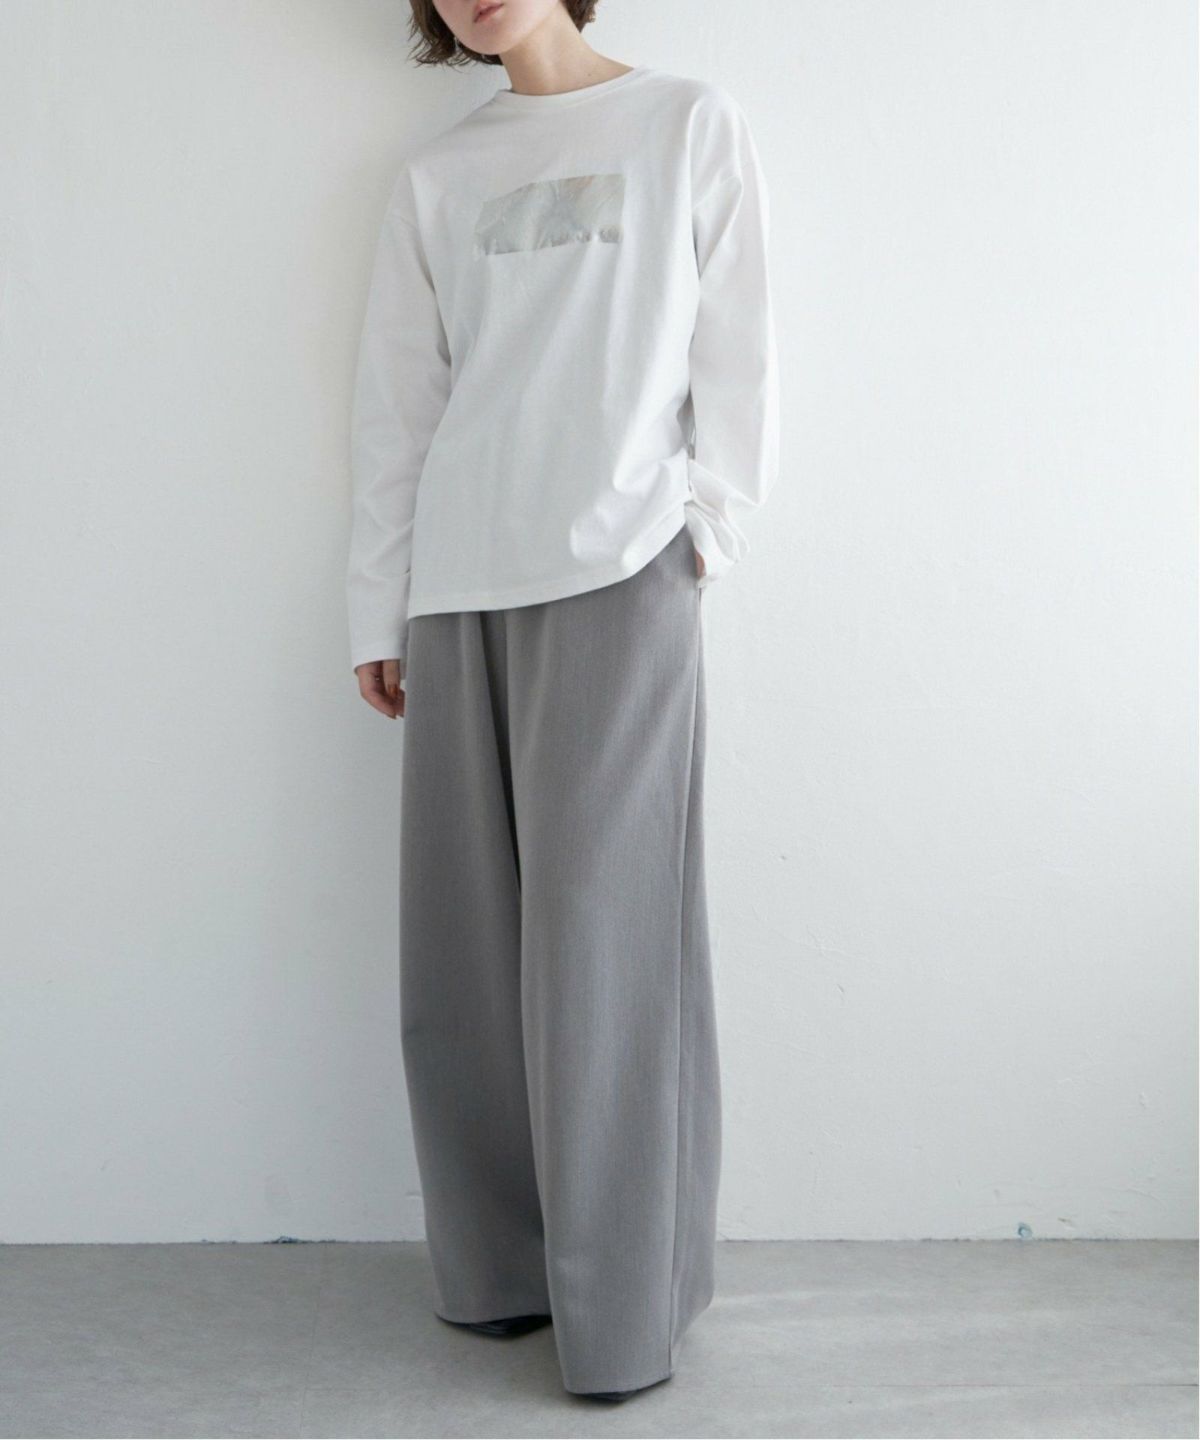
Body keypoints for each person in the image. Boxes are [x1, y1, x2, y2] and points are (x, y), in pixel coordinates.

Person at [345, 0, 779, 1404]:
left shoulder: (685, 123)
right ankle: (497, 1273)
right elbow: (400, 404)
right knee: (462, 963)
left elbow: (738, 350)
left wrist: (704, 535)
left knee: (609, 958)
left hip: (620, 573)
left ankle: (623, 1307)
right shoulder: (437, 174)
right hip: (459, 587)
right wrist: (380, 604)